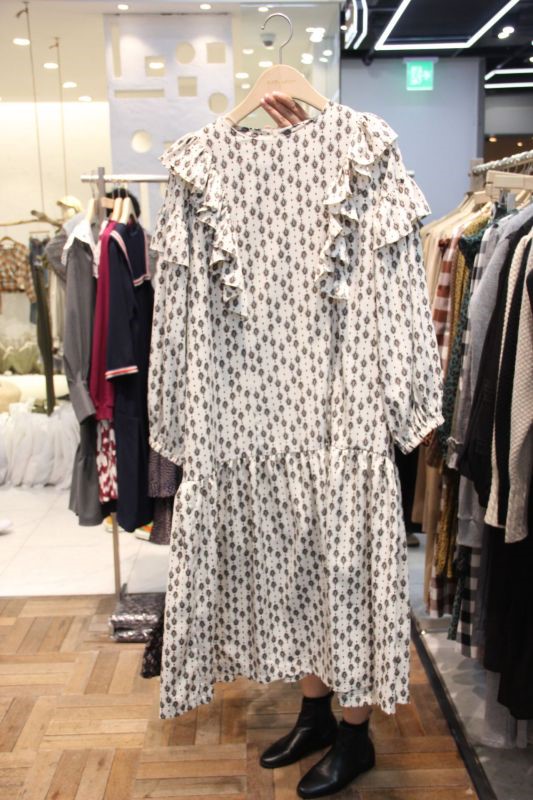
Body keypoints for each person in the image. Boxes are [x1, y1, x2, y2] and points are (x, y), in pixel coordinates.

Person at [256, 91, 434, 799]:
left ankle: (355, 735)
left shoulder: (367, 153)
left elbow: (401, 281)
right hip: (279, 406)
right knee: (302, 568)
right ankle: (315, 715)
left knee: (349, 572)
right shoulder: (232, 170)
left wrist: (409, 395)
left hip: (351, 405)